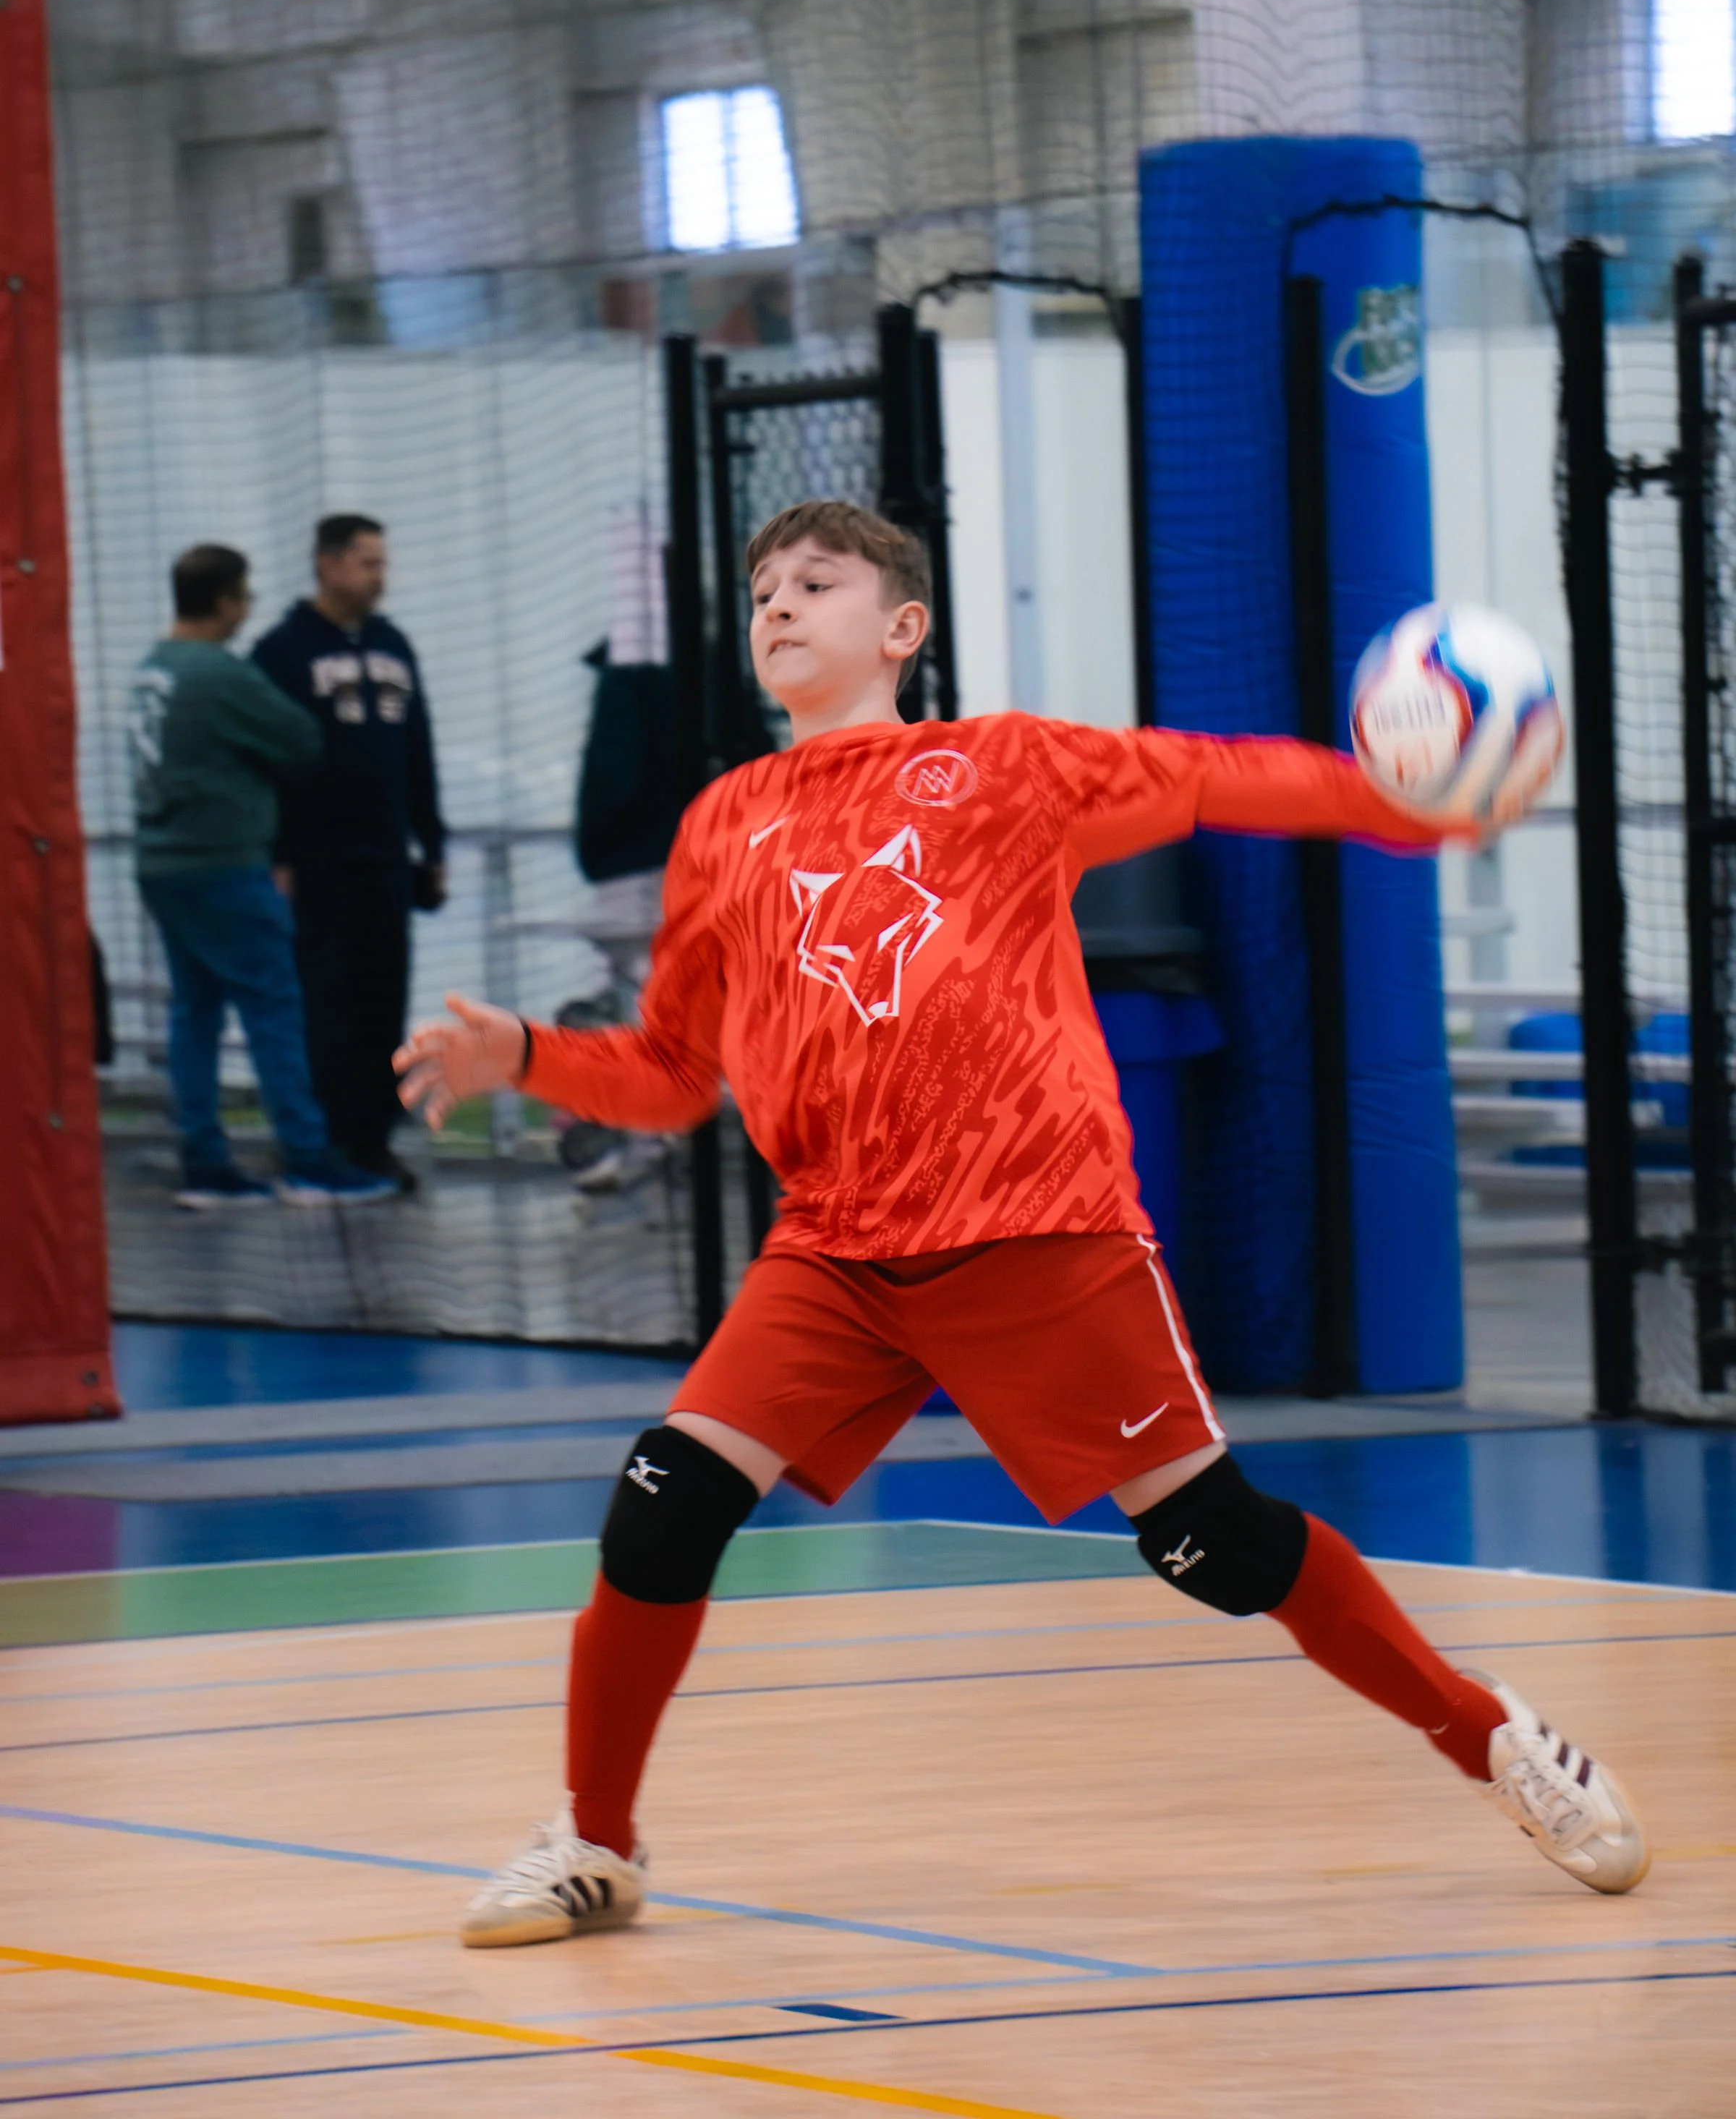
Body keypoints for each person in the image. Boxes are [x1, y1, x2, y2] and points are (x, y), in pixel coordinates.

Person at [396, 499, 1648, 1948]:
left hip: (1037, 1223)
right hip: (839, 1247)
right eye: (762, 590)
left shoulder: (1000, 768)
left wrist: (1404, 801)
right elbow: (676, 1078)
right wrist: (527, 1058)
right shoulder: (725, 824)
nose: (779, 606)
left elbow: (1218, 778)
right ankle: (596, 1848)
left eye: (818, 582)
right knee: (663, 1506)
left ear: (903, 627)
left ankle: (1487, 1735)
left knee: (1211, 1547)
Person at [128, 543, 397, 1209]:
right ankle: (309, 1160)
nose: (247, 610)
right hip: (225, 865)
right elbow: (301, 739)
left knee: (194, 1014)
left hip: (162, 867)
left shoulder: (152, 668)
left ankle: (207, 1163)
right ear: (225, 601)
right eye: (242, 597)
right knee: (275, 1011)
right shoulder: (220, 674)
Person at [255, 513, 446, 1192]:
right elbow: (266, 764)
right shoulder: (282, 650)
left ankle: (371, 1141)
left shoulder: (394, 644)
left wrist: (433, 841)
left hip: (386, 861)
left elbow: (417, 748)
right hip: (316, 865)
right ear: (328, 565)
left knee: (380, 1002)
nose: (379, 576)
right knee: (323, 1004)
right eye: (367, 563)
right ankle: (323, 1141)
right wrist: (277, 855)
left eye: (381, 563)